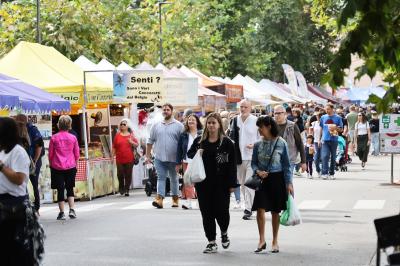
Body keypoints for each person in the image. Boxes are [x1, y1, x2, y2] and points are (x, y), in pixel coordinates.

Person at [187, 112, 237, 254]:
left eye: (213, 123)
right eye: (209, 123)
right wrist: (198, 153)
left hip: (222, 184)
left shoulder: (227, 143)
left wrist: (232, 184)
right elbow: (189, 154)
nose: (211, 125)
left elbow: (232, 164)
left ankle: (224, 232)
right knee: (207, 212)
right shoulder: (199, 141)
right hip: (203, 183)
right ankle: (211, 241)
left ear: (219, 124)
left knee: (222, 212)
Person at [0, 117, 45, 265]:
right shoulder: (2, 151)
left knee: (17, 253)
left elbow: (19, 179)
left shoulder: (18, 152)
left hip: (14, 208)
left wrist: (2, 167)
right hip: (3, 206)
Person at [251, 116, 291, 254]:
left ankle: (275, 241)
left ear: (268, 126)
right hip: (262, 180)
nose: (259, 130)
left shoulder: (281, 143)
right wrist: (258, 171)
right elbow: (253, 163)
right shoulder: (257, 144)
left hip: (277, 178)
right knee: (260, 209)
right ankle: (261, 239)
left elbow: (287, 165)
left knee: (275, 211)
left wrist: (289, 183)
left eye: (260, 127)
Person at [146, 103, 184, 209]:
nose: (165, 111)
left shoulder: (179, 126)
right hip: (159, 157)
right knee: (161, 178)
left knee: (174, 179)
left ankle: (175, 199)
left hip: (174, 159)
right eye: (164, 109)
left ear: (171, 111)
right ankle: (159, 199)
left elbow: (182, 143)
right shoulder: (156, 125)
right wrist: (147, 156)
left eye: (168, 109)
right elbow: (150, 141)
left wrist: (181, 159)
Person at [228, 99, 259, 220]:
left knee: (248, 183)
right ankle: (249, 204)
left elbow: (261, 137)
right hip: (238, 158)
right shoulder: (235, 120)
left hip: (252, 158)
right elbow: (230, 137)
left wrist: (255, 145)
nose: (243, 109)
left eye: (245, 107)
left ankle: (248, 208)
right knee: (242, 184)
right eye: (241, 107)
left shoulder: (256, 121)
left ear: (250, 108)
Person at [49, 115, 80, 220]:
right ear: (69, 125)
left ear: (58, 125)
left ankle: (61, 212)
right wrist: (75, 164)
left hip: (57, 167)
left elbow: (50, 154)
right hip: (71, 166)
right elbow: (77, 154)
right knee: (70, 188)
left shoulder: (54, 138)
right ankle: (72, 210)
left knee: (60, 189)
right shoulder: (73, 138)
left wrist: (51, 164)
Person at [15, 114, 44, 213]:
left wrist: (35, 161)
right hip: (26, 161)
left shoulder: (31, 129)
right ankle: (31, 207)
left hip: (32, 160)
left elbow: (39, 145)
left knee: (32, 183)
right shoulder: (18, 131)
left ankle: (36, 207)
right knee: (26, 184)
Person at [176, 114, 202, 209]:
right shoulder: (183, 135)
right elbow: (179, 149)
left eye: (193, 120)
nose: (191, 121)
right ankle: (189, 202)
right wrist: (178, 163)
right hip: (186, 161)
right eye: (189, 120)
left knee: (199, 182)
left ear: (197, 122)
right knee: (187, 182)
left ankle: (200, 202)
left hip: (199, 162)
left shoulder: (202, 133)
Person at [273, 105, 306, 179]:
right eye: (275, 113)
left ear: (285, 114)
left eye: (279, 113)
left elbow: (300, 144)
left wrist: (303, 162)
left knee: (287, 183)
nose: (277, 115)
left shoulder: (292, 126)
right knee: (276, 184)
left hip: (289, 160)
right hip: (274, 160)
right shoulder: (271, 126)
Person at [112, 118, 139, 196]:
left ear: (127, 126)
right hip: (119, 158)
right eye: (121, 124)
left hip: (129, 158)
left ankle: (127, 189)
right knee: (119, 174)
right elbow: (114, 146)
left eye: (124, 124)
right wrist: (112, 156)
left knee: (128, 174)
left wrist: (131, 142)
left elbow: (137, 145)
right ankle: (121, 187)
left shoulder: (131, 135)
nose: (122, 125)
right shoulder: (117, 136)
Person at [319, 103, 343, 180]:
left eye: (328, 109)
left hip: (334, 140)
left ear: (332, 109)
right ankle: (324, 173)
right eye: (326, 109)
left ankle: (331, 173)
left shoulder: (338, 118)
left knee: (333, 157)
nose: (327, 110)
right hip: (325, 139)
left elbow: (341, 129)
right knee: (325, 156)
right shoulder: (323, 117)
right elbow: (321, 128)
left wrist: (336, 127)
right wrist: (320, 138)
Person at [310, 112, 323, 177]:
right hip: (315, 142)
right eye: (317, 116)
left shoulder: (323, 123)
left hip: (323, 142)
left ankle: (324, 171)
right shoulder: (314, 123)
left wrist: (320, 140)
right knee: (316, 157)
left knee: (323, 156)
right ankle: (318, 170)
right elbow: (311, 132)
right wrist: (310, 141)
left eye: (318, 116)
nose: (317, 117)